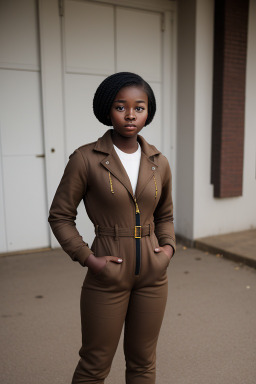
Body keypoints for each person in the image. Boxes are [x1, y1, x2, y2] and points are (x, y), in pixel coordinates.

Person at [48, 72, 176, 384]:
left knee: (144, 363)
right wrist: (88, 258)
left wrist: (168, 249)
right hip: (107, 271)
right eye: (121, 107)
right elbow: (60, 216)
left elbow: (166, 215)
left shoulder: (159, 161)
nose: (131, 114)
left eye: (139, 107)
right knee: (95, 364)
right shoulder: (85, 158)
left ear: (148, 112)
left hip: (152, 275)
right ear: (108, 110)